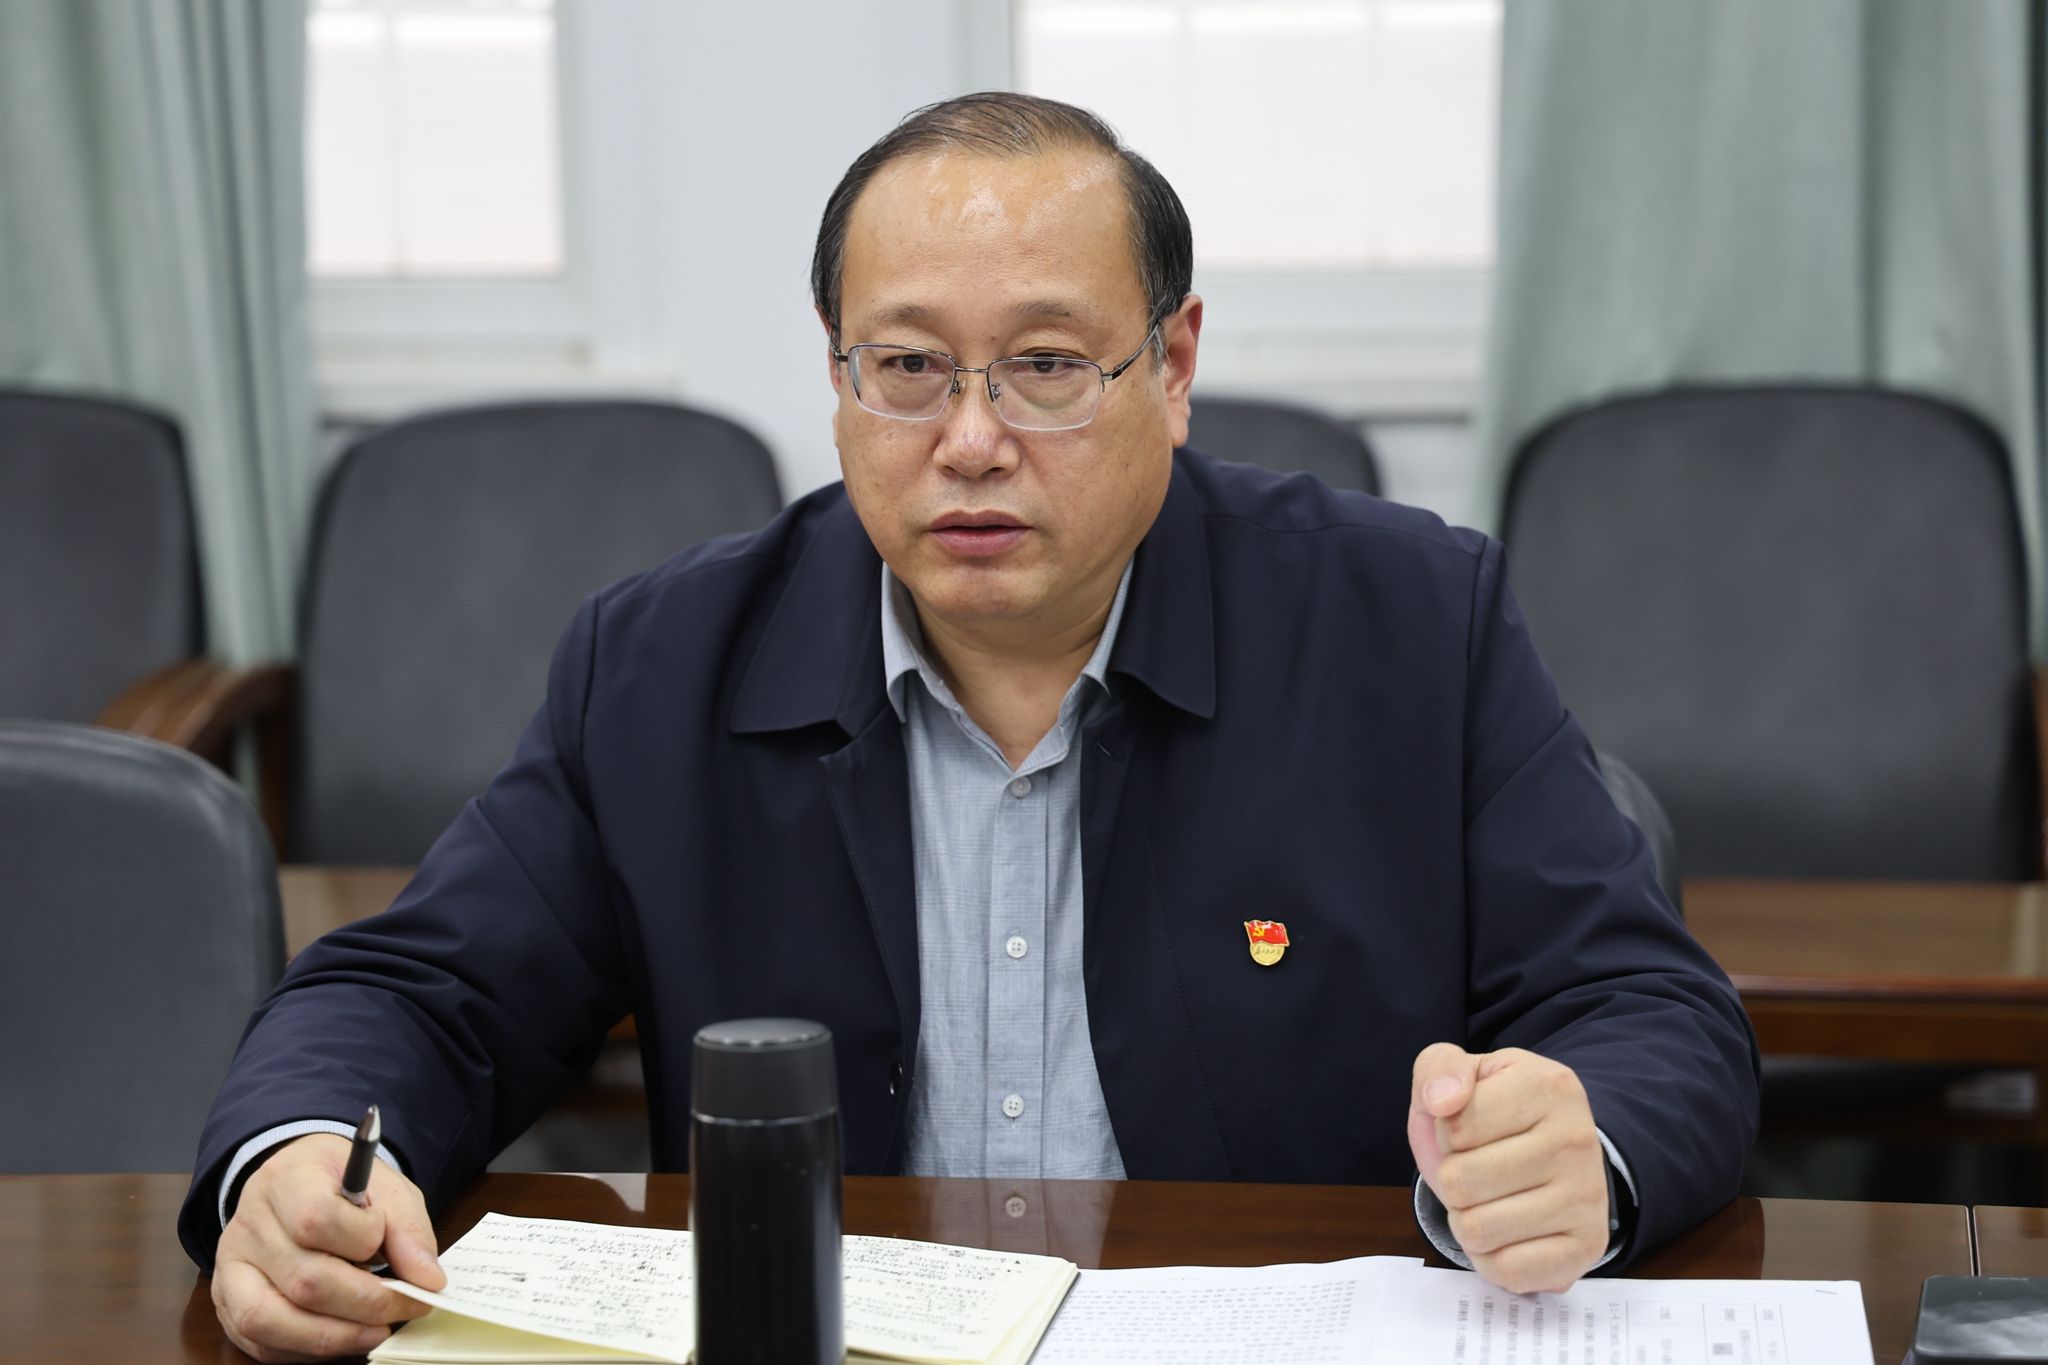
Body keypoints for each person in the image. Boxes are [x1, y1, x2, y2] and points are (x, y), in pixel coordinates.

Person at [183, 92, 1758, 1362]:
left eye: (1048, 367)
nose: (973, 439)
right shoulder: (663, 663)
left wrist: (1583, 1146)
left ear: (1174, 366)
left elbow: (1650, 1007)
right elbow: (420, 991)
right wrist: (300, 1158)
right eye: (910, 368)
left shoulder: (1406, 623)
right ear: (837, 376)